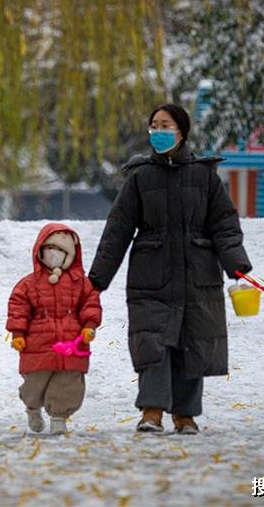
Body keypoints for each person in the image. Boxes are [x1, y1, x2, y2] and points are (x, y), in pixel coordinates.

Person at [88, 104, 251, 434]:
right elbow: (117, 229)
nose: (158, 131)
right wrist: (97, 279)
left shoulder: (205, 176)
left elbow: (224, 224)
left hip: (197, 274)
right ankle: (151, 411)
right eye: (153, 125)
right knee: (153, 344)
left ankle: (185, 415)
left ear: (182, 131)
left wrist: (236, 265)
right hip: (151, 276)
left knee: (192, 344)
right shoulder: (140, 177)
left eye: (165, 125)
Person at [6, 223, 102, 435]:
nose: (54, 254)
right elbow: (18, 308)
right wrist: (18, 333)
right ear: (40, 250)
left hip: (72, 342)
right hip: (37, 344)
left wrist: (89, 325)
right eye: (50, 248)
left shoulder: (80, 283)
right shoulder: (28, 284)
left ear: (70, 255)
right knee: (35, 381)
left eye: (61, 250)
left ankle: (59, 416)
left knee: (68, 381)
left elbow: (90, 303)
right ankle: (32, 407)